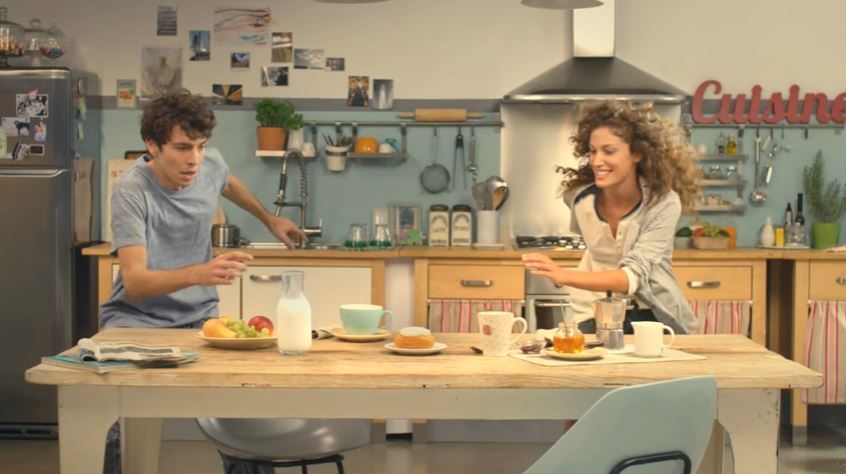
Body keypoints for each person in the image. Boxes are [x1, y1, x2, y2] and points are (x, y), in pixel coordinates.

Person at [99, 89, 305, 473]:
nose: (193, 159)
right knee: (120, 424)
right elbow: (135, 282)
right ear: (152, 145)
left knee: (240, 416)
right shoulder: (131, 190)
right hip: (136, 322)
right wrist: (199, 272)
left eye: (200, 146)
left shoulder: (209, 164)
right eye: (181, 148)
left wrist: (269, 219)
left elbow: (228, 182)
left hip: (199, 318)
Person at [521, 101, 702, 335]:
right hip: (596, 312)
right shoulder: (578, 199)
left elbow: (632, 278)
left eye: (609, 151)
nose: (596, 161)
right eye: (592, 151)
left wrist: (563, 275)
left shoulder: (663, 203)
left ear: (637, 153)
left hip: (654, 313)